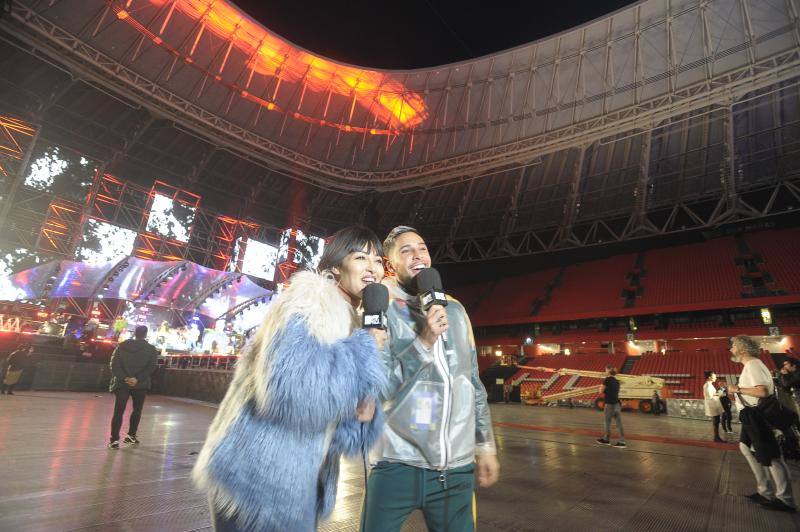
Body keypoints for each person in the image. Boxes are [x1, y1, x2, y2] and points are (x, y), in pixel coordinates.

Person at [193, 226, 388, 532]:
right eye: (361, 257)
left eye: (378, 261)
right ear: (336, 265)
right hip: (256, 480)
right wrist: (364, 349)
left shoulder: (354, 320)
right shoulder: (307, 302)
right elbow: (288, 390)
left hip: (301, 484)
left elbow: (331, 419)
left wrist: (363, 414)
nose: (373, 268)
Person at [360, 226, 498, 532]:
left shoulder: (457, 310)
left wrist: (485, 445)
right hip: (397, 463)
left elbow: (472, 382)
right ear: (390, 262)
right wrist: (423, 341)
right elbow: (378, 391)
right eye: (406, 250)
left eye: (422, 248)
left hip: (456, 469)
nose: (417, 255)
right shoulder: (379, 309)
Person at [728, 335, 796, 513]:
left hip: (756, 416)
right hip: (750, 416)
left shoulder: (753, 365)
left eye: (733, 346)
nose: (731, 350)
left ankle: (785, 499)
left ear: (742, 350)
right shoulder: (752, 365)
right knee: (745, 447)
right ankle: (764, 491)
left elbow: (763, 391)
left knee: (772, 456)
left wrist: (736, 389)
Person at [108, 325, 159, 449]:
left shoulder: (122, 346)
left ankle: (114, 440)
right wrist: (137, 379)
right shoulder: (151, 349)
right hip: (140, 385)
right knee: (137, 410)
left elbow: (114, 365)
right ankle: (131, 436)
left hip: (121, 384)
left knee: (118, 412)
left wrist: (124, 378)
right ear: (146, 334)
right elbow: (151, 367)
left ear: (134, 333)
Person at [596, 365, 626, 448]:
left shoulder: (607, 380)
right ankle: (622, 441)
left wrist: (600, 388)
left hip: (609, 404)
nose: (605, 372)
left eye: (605, 370)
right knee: (619, 423)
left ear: (608, 371)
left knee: (607, 423)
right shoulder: (617, 381)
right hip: (617, 404)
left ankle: (606, 439)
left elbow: (600, 391)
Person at [703, 371, 726, 442]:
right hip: (713, 406)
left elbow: (714, 395)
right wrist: (722, 389)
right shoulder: (708, 385)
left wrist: (721, 392)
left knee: (716, 422)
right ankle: (716, 437)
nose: (716, 377)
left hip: (714, 405)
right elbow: (712, 397)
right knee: (716, 422)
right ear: (710, 377)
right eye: (714, 376)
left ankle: (716, 437)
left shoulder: (709, 385)